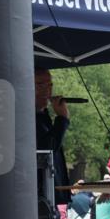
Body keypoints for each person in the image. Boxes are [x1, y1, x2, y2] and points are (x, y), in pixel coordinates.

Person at [34, 69, 71, 205]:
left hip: (50, 195)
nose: (47, 91)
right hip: (38, 196)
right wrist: (62, 119)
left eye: (49, 85)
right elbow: (47, 149)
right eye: (40, 85)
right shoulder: (26, 116)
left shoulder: (43, 115)